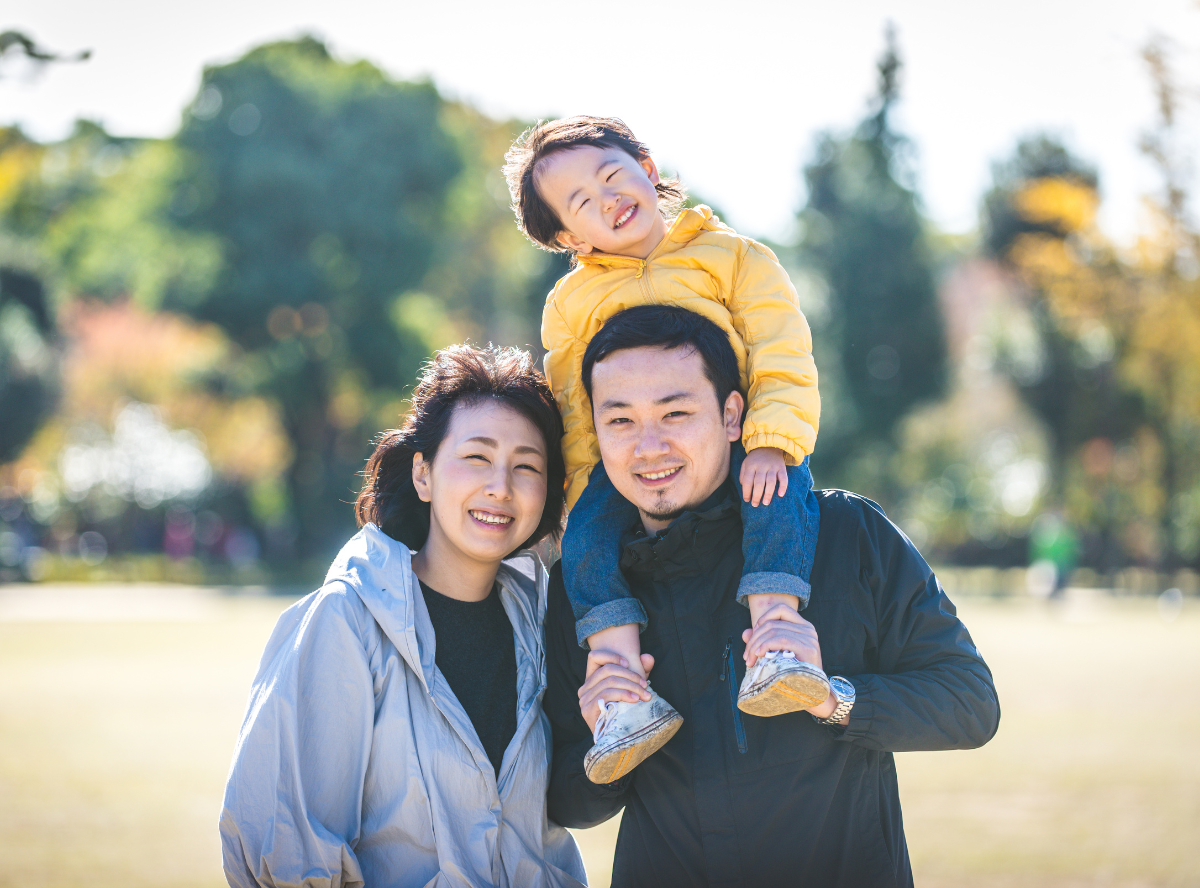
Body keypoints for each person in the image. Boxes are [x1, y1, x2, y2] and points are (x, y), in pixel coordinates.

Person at [543, 305, 1001, 887]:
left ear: (733, 415)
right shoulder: (583, 589)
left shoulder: (846, 535)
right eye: (620, 422)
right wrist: (601, 742)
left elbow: (970, 704)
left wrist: (830, 696)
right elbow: (570, 804)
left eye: (676, 413)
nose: (648, 447)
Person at [505, 116, 826, 783]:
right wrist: (582, 493)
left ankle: (776, 642)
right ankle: (622, 688)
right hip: (626, 466)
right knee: (586, 546)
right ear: (567, 237)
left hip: (738, 440)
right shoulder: (571, 303)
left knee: (779, 493)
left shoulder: (734, 256)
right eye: (580, 203)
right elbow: (575, 404)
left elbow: (781, 351)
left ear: (647, 170)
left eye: (612, 176)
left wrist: (772, 439)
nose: (607, 199)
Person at [220, 345, 587, 888]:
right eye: (477, 457)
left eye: (526, 466)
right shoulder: (348, 619)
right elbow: (289, 840)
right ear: (424, 475)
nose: (500, 487)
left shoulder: (544, 622)